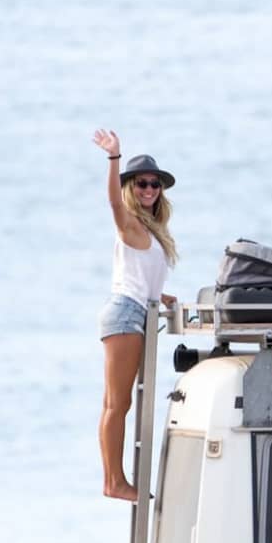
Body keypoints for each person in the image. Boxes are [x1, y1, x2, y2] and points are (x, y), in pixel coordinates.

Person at [93, 129, 178, 501]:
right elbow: (112, 203)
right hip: (125, 315)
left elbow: (141, 277)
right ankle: (114, 481)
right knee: (117, 403)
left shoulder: (151, 228)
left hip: (137, 311)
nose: (148, 190)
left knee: (122, 402)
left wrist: (162, 297)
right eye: (142, 183)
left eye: (154, 184)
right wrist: (114, 159)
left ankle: (117, 479)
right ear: (131, 187)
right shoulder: (128, 220)